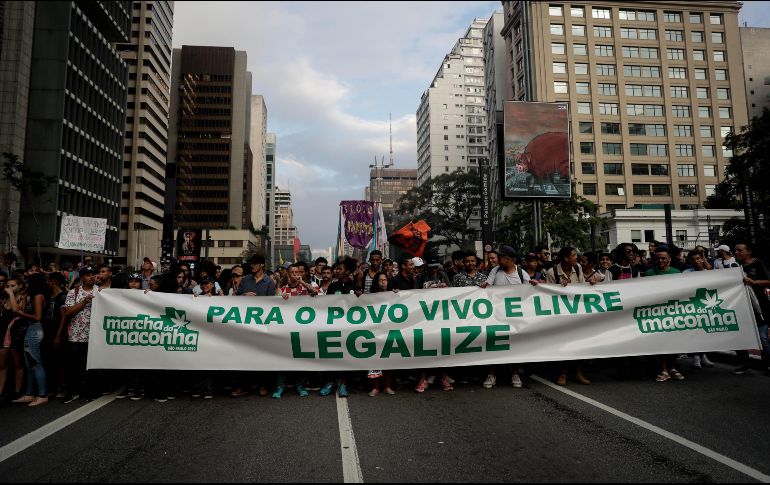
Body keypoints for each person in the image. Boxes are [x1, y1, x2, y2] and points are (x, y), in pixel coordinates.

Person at [485, 245, 535, 389]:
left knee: (516, 345)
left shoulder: (522, 273)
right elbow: (487, 287)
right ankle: (492, 374)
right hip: (496, 316)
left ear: (510, 259)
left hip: (515, 317)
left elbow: (529, 292)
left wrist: (535, 286)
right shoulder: (495, 271)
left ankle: (515, 374)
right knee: (493, 343)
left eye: (502, 257)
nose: (499, 259)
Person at [731, 242, 770, 376]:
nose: (736, 253)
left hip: (759, 306)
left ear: (748, 252)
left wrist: (754, 282)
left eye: (739, 250)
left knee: (763, 338)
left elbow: (768, 280)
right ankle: (744, 364)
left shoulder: (758, 263)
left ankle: (768, 364)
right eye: (735, 250)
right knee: (739, 337)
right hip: (741, 307)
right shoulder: (735, 267)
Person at [61, 266, 98, 403]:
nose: (92, 277)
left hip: (94, 337)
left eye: (93, 274)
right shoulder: (73, 292)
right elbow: (67, 312)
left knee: (90, 367)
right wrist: (84, 302)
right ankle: (72, 392)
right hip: (76, 336)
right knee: (73, 367)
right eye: (88, 275)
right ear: (81, 277)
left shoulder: (101, 292)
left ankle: (89, 391)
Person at [367, 272, 396, 397]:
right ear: (376, 282)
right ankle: (375, 387)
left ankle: (387, 386)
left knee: (388, 360)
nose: (383, 282)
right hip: (375, 332)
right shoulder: (370, 297)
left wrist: (398, 294)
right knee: (375, 360)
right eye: (380, 280)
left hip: (389, 331)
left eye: (385, 280)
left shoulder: (394, 295)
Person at [0, 277, 26, 400]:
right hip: (3, 334)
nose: (10, 288)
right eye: (8, 285)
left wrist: (11, 294)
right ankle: (1, 391)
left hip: (15, 335)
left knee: (17, 364)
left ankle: (17, 391)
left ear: (20, 286)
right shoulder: (4, 299)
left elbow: (16, 310)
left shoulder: (22, 298)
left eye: (13, 285)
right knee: (2, 365)